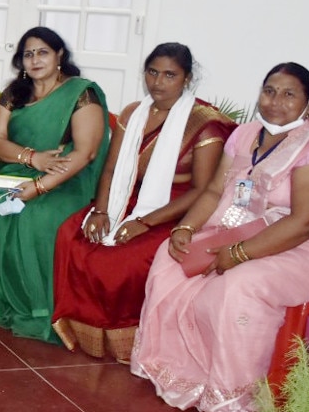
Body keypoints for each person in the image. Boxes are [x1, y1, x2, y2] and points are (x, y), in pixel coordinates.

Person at [131, 62, 309, 412]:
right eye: (269, 91)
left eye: (289, 94)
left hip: (298, 245)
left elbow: (307, 221)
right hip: (233, 230)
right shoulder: (245, 134)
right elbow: (215, 190)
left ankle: (233, 396)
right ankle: (183, 375)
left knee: (237, 285)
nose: (275, 102)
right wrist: (185, 228)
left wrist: (239, 254)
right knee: (170, 258)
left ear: (308, 104)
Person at [51, 44, 234, 361]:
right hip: (128, 196)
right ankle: (82, 334)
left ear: (186, 78)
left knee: (121, 260)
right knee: (72, 233)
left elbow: (202, 191)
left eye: (169, 75)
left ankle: (126, 340)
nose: (158, 82)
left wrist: (145, 222)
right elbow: (111, 168)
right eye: (152, 72)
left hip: (176, 209)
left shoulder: (205, 124)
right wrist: (101, 210)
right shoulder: (133, 113)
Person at [0, 27, 110, 344]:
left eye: (43, 52)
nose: (35, 60)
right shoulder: (15, 94)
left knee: (33, 218)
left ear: (60, 55)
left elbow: (86, 152)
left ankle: (38, 309)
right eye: (28, 54)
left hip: (69, 178)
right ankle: (2, 301)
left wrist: (39, 187)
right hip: (23, 169)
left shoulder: (81, 92)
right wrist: (30, 157)